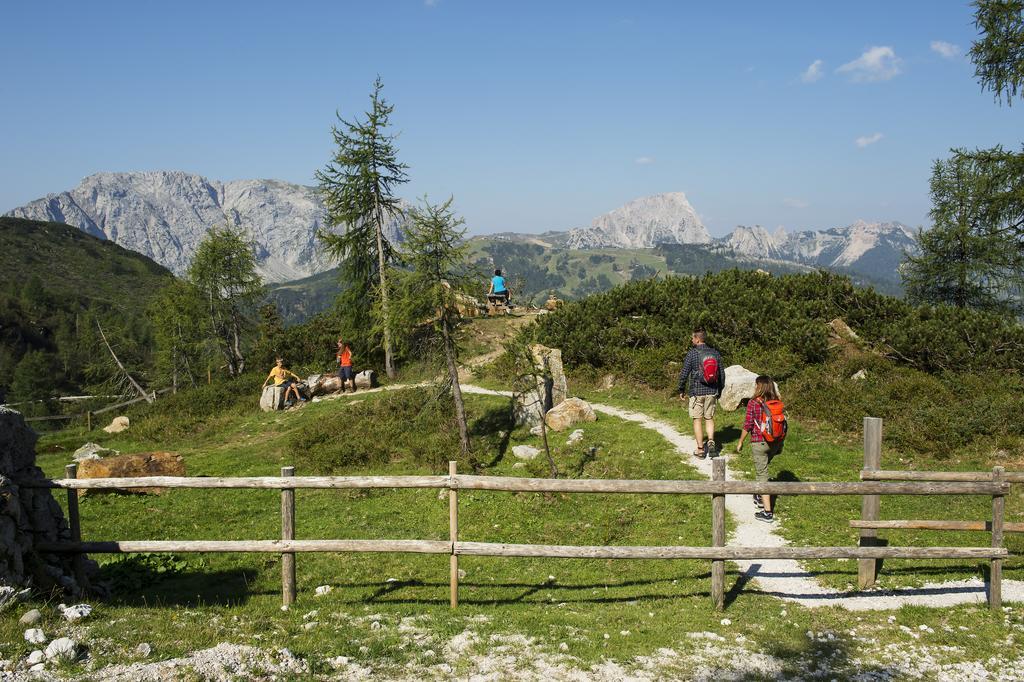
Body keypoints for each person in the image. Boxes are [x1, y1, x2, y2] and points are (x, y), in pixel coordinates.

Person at [736, 375, 783, 523]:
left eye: (756, 385)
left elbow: (748, 425)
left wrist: (740, 441)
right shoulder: (776, 402)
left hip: (759, 442)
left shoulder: (753, 403)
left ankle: (767, 511)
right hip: (775, 443)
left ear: (759, 386)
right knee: (763, 468)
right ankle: (759, 495)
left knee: (762, 474)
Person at [677, 330, 725, 458]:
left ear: (697, 339)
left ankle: (700, 449)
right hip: (712, 391)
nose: (691, 340)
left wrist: (681, 389)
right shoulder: (714, 352)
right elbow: (721, 374)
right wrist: (719, 390)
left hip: (697, 392)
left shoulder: (692, 354)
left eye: (692, 338)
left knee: (697, 419)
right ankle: (710, 441)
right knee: (709, 418)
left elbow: (684, 373)